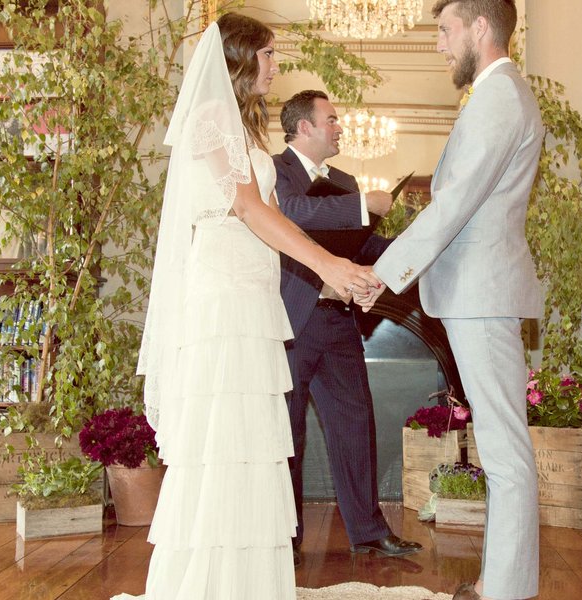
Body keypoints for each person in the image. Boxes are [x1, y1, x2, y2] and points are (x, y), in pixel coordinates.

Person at [126, 13, 380, 599]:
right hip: (225, 301)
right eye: (268, 54)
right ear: (239, 59)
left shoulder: (242, 129)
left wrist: (340, 277)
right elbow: (247, 208)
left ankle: (244, 582)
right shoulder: (212, 118)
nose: (275, 64)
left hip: (252, 294)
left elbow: (276, 221)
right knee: (225, 442)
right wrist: (327, 265)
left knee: (250, 443)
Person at [355, 1, 543, 598]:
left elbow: (454, 205)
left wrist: (378, 274)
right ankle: (499, 583)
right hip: (476, 293)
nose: (437, 44)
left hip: (482, 295)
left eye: (444, 30)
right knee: (499, 443)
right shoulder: (496, 95)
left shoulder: (499, 97)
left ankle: (505, 592)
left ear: (480, 28)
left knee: (505, 450)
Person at [272, 90, 420, 567]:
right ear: (304, 127)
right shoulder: (274, 171)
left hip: (338, 322)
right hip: (290, 320)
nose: (339, 128)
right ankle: (285, 537)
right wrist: (361, 205)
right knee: (286, 432)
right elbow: (290, 214)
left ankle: (368, 532)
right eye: (331, 120)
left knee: (356, 424)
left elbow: (364, 244)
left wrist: (417, 244)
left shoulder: (344, 179)